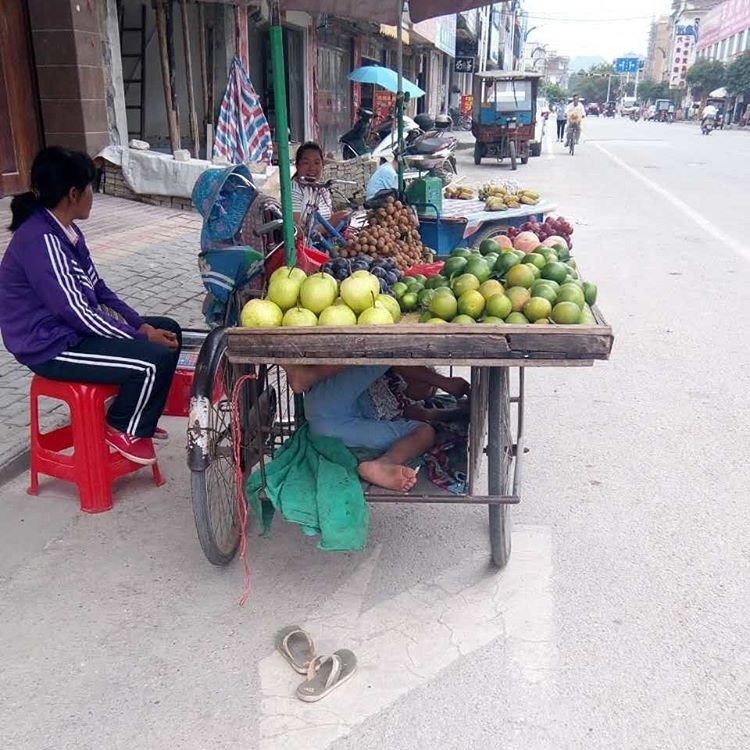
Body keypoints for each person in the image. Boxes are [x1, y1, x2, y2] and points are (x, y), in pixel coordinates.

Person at [0, 146, 181, 466]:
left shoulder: (68, 232)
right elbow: (77, 312)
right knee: (153, 359)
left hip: (72, 330)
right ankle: (123, 426)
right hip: (49, 345)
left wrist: (140, 324)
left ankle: (138, 418)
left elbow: (98, 290)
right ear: (73, 193)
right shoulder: (41, 240)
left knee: (167, 330)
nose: (92, 196)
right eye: (90, 188)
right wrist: (140, 339)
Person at [285, 365, 470, 493]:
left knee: (426, 432)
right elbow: (403, 364)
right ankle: (306, 375)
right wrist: (442, 381)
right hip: (329, 403)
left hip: (337, 429)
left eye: (432, 392)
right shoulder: (390, 374)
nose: (429, 391)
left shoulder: (407, 406)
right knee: (384, 351)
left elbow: (429, 416)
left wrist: (460, 411)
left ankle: (383, 464)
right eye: (427, 384)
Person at [291, 141, 350, 233]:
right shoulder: (293, 190)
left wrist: (339, 219)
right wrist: (330, 224)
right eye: (306, 163)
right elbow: (296, 232)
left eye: (317, 163)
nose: (312, 168)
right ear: (297, 165)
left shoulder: (322, 189)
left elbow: (328, 217)